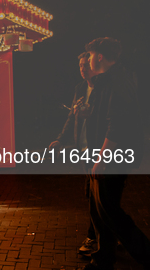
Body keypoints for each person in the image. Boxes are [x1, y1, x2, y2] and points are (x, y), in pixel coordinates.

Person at [79, 37, 150, 270]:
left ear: (100, 56)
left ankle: (147, 255)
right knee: (102, 212)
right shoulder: (109, 80)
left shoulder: (117, 81)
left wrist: (101, 160)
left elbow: (116, 125)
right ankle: (104, 257)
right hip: (106, 156)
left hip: (112, 158)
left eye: (90, 55)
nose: (88, 59)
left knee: (110, 211)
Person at [48, 52, 97, 256]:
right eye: (80, 65)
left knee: (99, 198)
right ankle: (105, 235)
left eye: (86, 64)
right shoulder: (80, 88)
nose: (82, 68)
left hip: (100, 150)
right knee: (93, 195)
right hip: (84, 150)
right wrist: (60, 139)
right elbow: (71, 118)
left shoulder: (102, 89)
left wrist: (91, 113)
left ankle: (95, 238)